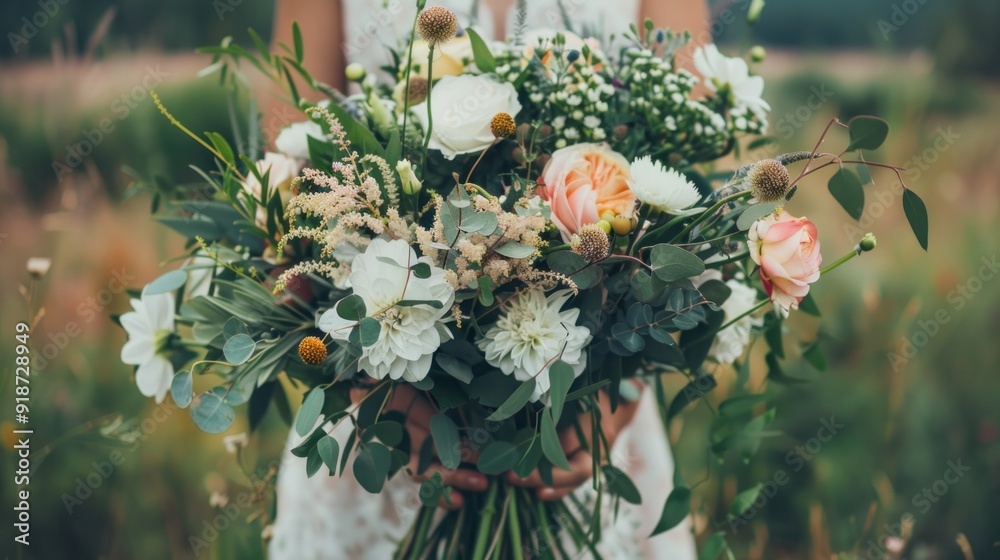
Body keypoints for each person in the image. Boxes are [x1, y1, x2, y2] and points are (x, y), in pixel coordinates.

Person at [266, 2, 710, 558]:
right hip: (379, 428)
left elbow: (689, 203)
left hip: (588, 433)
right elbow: (284, 190)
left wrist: (617, 396)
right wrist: (376, 389)